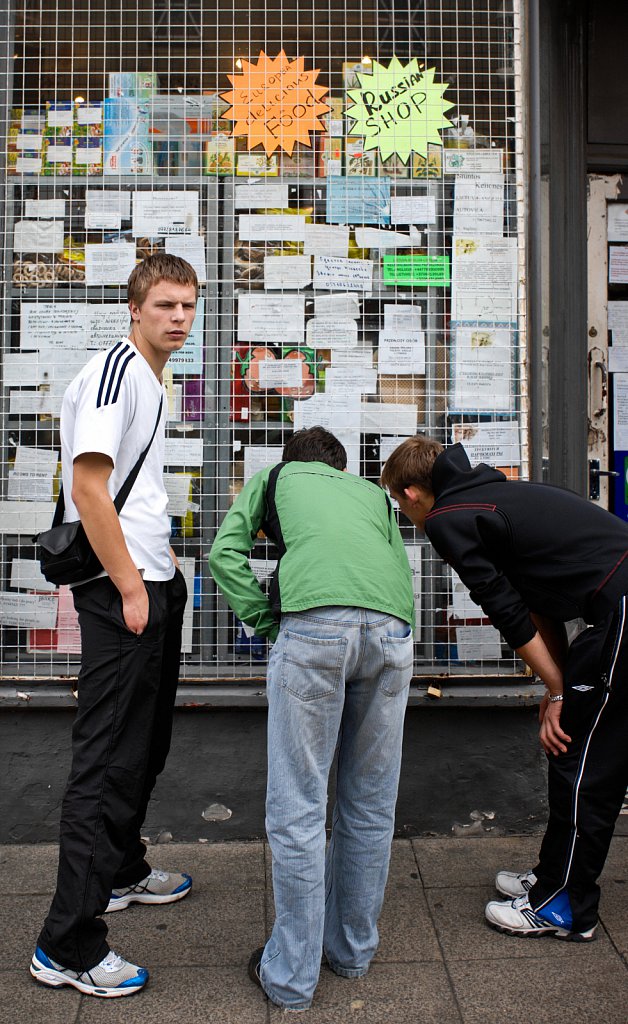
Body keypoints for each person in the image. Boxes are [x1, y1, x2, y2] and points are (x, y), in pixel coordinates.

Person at [381, 435, 628, 943]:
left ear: (411, 493)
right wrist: (558, 685)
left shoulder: (450, 517)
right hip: (613, 615)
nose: (405, 517)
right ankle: (553, 876)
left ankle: (564, 906)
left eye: (399, 505)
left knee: (585, 766)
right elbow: (540, 607)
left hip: (623, 617)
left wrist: (561, 693)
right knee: (575, 754)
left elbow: (507, 613)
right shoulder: (494, 497)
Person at [31, 254, 198, 997]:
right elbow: (88, 488)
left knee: (144, 743)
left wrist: (159, 575)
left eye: (188, 306)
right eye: (165, 305)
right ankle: (66, 944)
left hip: (152, 581)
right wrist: (132, 587)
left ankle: (123, 868)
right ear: (134, 309)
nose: (179, 318)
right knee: (103, 763)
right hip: (117, 593)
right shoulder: (116, 372)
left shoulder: (151, 376)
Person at [209, 427, 415, 1011]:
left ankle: (292, 979)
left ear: (291, 463)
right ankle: (351, 952)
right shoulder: (373, 494)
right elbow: (398, 566)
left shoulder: (274, 479)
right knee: (370, 800)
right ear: (340, 466)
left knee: (298, 805)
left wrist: (267, 621)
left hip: (314, 630)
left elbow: (225, 555)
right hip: (391, 634)